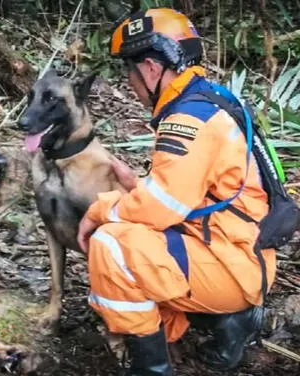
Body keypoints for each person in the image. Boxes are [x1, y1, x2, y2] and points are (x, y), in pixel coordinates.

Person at [76, 8, 276, 376]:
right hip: (238, 252)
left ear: (151, 68)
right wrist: (134, 186)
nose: (131, 85)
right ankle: (226, 321)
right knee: (133, 241)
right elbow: (186, 195)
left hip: (232, 264)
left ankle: (151, 367)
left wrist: (99, 210)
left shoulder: (188, 119)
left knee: (112, 245)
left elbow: (159, 208)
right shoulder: (210, 100)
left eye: (129, 73)